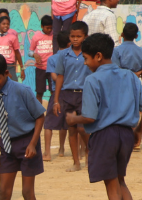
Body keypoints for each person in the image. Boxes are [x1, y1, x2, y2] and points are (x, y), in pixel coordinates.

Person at [65, 33, 142, 200]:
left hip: (105, 136)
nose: (85, 63)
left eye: (87, 58)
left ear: (98, 57)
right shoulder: (130, 76)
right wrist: (139, 129)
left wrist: (74, 120)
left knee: (112, 189)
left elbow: (90, 117)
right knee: (120, 181)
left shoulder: (93, 80)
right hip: (126, 135)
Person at [0, 53, 45, 200]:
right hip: (7, 145)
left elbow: (40, 116)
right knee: (4, 192)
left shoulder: (22, 90)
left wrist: (33, 144)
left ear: (6, 73)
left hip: (27, 142)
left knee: (27, 192)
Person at [53, 21, 91, 172]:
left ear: (85, 37)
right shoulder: (63, 55)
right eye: (73, 36)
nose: (75, 39)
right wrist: (56, 100)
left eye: (79, 36)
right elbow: (60, 77)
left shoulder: (89, 54)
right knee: (72, 129)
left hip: (85, 95)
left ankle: (88, 154)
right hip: (68, 95)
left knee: (84, 129)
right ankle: (76, 162)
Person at [44, 31, 70, 161]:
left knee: (49, 123)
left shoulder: (53, 58)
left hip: (57, 93)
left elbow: (54, 77)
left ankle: (47, 152)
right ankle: (61, 148)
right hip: (70, 92)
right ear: (69, 42)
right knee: (65, 123)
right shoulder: (71, 57)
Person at [0, 16, 25, 82]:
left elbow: (17, 53)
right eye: (3, 24)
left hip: (9, 65)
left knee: (13, 84)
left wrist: (22, 68)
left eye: (8, 24)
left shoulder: (13, 37)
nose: (6, 26)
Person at [30, 15, 54, 103]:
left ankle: (52, 112)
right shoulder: (36, 37)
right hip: (40, 68)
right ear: (42, 27)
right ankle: (39, 113)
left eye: (51, 28)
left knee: (53, 92)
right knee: (39, 93)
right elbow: (30, 52)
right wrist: (34, 55)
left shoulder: (54, 35)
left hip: (52, 69)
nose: (49, 30)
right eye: (47, 28)